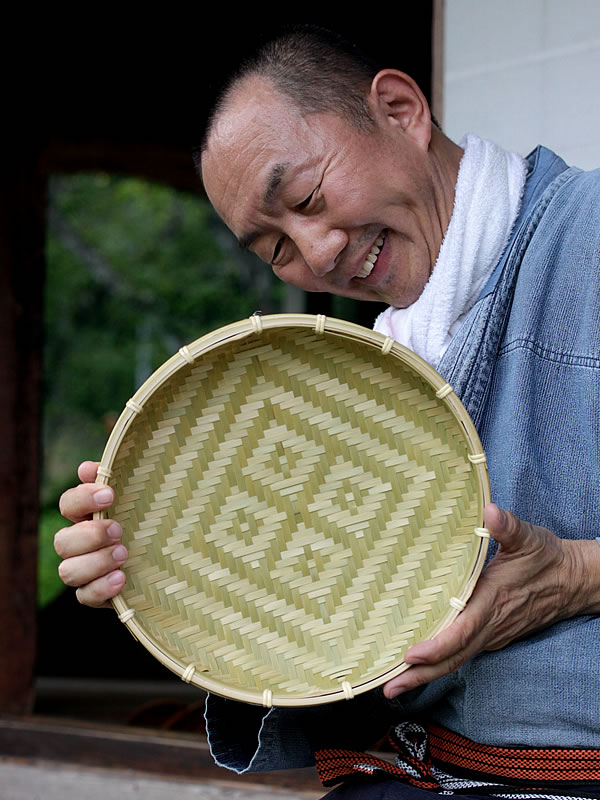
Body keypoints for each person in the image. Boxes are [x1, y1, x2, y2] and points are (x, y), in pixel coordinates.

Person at [54, 26, 600, 800]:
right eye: (274, 249)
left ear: (401, 108)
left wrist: (577, 575)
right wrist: (162, 563)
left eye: (307, 198)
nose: (314, 255)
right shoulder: (373, 375)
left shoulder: (590, 237)